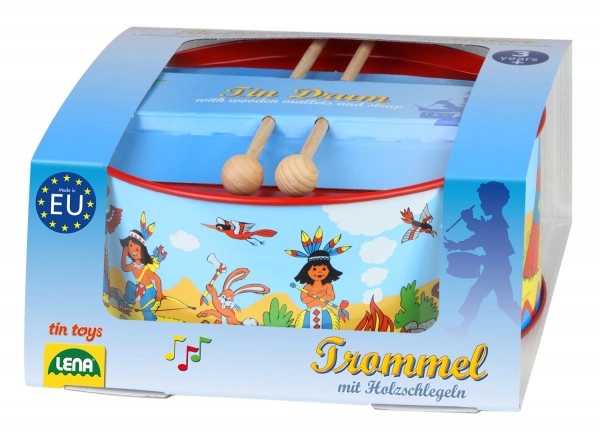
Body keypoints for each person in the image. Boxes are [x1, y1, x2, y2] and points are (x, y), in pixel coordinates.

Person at [444, 181, 521, 334]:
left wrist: (469, 221)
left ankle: (521, 320)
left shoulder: (498, 224)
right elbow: (479, 236)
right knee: (483, 295)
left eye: (484, 202)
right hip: (495, 267)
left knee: (499, 301)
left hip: (498, 268)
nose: (482, 205)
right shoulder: (494, 223)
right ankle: (464, 328)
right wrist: (457, 244)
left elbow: (483, 234)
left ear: (494, 203)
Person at [286, 228, 350, 329]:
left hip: (325, 313)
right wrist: (313, 297)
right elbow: (304, 299)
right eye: (314, 269)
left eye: (324, 269)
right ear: (307, 270)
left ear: (329, 270)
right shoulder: (307, 286)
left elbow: (331, 297)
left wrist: (319, 295)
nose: (319, 272)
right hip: (309, 314)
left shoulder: (328, 285)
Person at [119, 213, 164, 321]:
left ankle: (151, 319)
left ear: (142, 252)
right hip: (139, 288)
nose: (133, 250)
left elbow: (157, 279)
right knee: (130, 286)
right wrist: (124, 255)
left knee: (145, 308)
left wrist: (159, 292)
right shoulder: (133, 265)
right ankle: (129, 303)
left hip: (149, 292)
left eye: (137, 249)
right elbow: (124, 267)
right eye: (131, 246)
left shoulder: (145, 269)